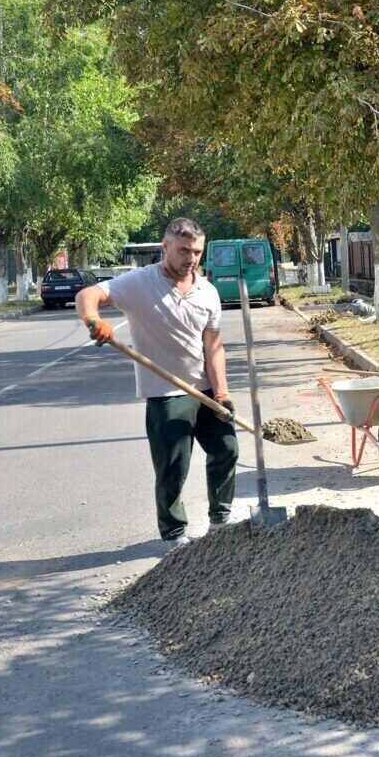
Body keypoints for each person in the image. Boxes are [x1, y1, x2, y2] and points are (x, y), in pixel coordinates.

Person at [76, 218, 238, 550]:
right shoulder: (138, 283)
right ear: (165, 247)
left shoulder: (207, 291)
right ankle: (175, 533)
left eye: (196, 251)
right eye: (183, 250)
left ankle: (220, 521)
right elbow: (88, 294)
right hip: (166, 393)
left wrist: (221, 391)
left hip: (205, 389)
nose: (190, 258)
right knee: (173, 467)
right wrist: (93, 320)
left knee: (227, 449)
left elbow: (213, 346)